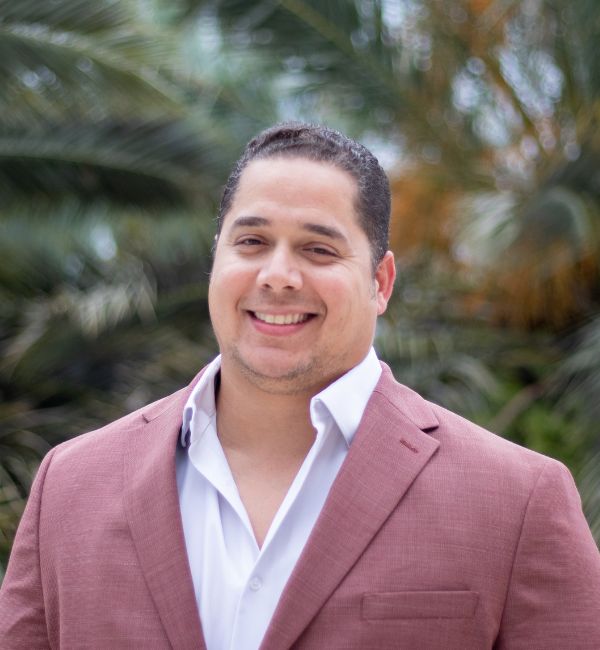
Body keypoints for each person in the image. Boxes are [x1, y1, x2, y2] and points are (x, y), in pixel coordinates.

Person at [1, 123, 599, 650]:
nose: (278, 276)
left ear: (381, 281)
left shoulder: (517, 501)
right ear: (217, 260)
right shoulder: (71, 486)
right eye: (252, 242)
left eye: (318, 248)